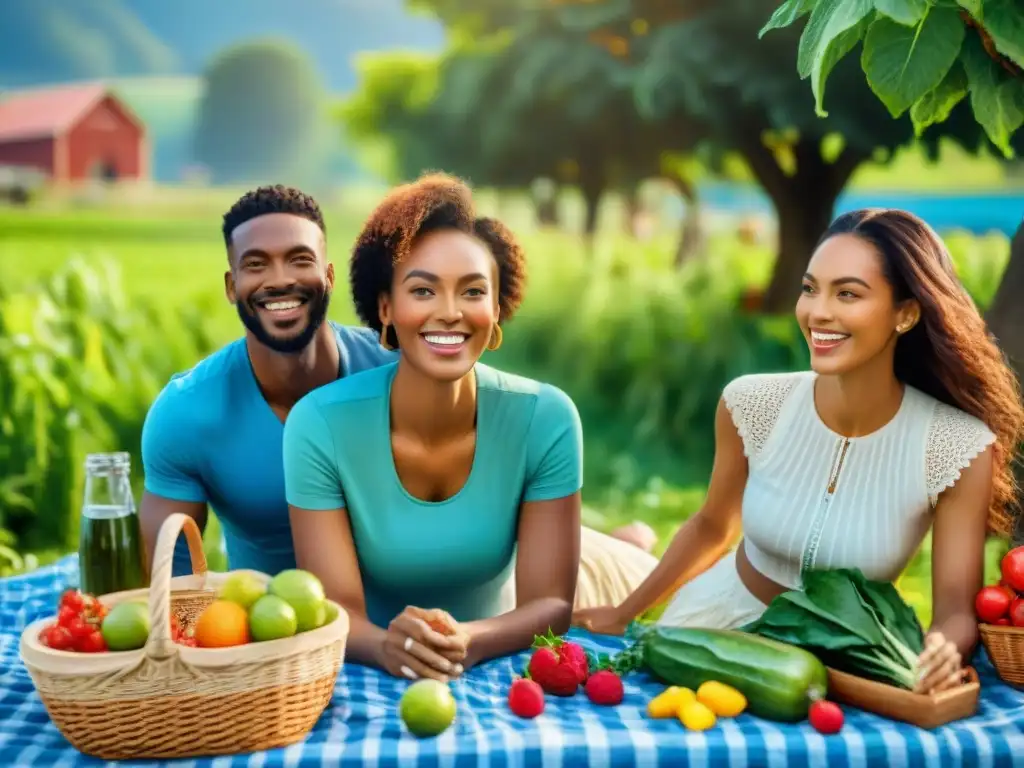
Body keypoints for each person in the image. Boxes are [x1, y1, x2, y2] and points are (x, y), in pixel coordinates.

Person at [573, 208, 1024, 696]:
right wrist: (623, 613)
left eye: (847, 293)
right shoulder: (752, 404)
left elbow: (956, 610)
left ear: (907, 313)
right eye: (810, 289)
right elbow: (712, 527)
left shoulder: (956, 447)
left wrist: (943, 649)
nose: (818, 312)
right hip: (711, 633)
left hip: (846, 664)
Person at [282, 173, 658, 682]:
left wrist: (470, 639)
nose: (450, 312)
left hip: (567, 594)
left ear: (497, 310)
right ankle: (624, 539)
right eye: (423, 290)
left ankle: (630, 545)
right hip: (478, 590)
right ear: (386, 308)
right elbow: (337, 609)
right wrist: (386, 647)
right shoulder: (319, 424)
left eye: (473, 291)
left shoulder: (545, 416)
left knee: (639, 575)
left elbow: (550, 602)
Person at [139, 185, 396, 576]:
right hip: (270, 628)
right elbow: (165, 586)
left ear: (328, 275)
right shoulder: (186, 413)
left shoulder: (396, 372)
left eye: (299, 260)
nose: (279, 280)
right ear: (231, 286)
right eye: (256, 264)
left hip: (404, 623)